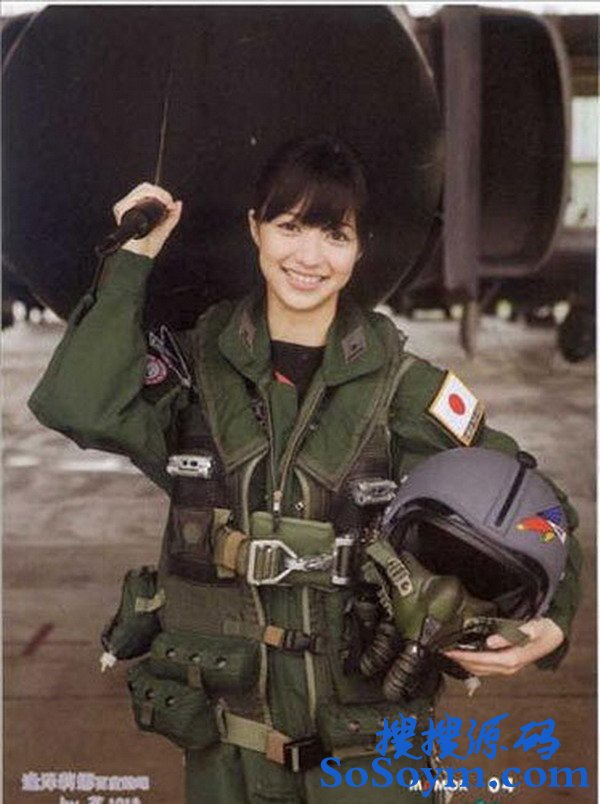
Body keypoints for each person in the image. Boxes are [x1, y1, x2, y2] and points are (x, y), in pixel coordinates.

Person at [28, 135, 581, 803]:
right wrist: (133, 258)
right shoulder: (197, 370)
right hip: (228, 758)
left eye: (334, 235)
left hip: (368, 763)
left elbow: (541, 510)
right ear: (255, 228)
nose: (310, 257)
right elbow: (75, 404)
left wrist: (551, 626)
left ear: (359, 249)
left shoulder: (405, 389)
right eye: (289, 227)